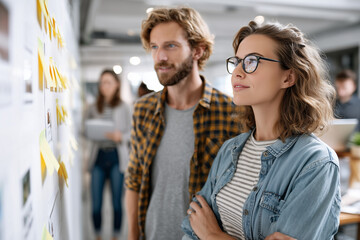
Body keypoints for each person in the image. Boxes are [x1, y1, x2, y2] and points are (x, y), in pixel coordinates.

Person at [182, 21, 341, 240]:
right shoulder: (231, 149)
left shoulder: (316, 162)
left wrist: (213, 235)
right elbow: (191, 230)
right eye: (237, 62)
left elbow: (203, 231)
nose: (237, 72)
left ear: (288, 77)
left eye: (251, 61)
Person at [125, 7, 239, 240]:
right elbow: (134, 179)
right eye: (155, 47)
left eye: (171, 46)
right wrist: (133, 235)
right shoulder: (143, 110)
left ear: (198, 50)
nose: (160, 57)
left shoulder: (232, 113)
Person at [85, 69, 131, 240]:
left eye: (108, 82)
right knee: (96, 204)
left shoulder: (124, 107)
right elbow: (85, 130)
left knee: (117, 204)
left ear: (117, 84)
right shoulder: (93, 107)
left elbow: (133, 133)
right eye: (102, 82)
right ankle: (97, 235)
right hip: (98, 156)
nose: (104, 86)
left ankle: (115, 236)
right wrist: (92, 131)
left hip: (116, 157)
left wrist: (121, 136)